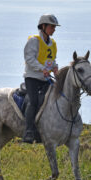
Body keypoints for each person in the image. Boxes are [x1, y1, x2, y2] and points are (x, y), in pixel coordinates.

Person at [22, 14, 60, 143]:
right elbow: (29, 59)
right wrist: (42, 68)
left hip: (45, 79)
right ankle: (28, 132)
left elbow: (52, 60)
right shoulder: (34, 40)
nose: (54, 29)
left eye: (54, 27)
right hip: (32, 77)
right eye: (51, 27)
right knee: (33, 102)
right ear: (43, 26)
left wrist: (55, 68)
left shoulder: (53, 43)